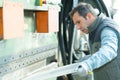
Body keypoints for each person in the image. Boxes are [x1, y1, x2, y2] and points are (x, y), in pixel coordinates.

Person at [69, 2, 120, 80]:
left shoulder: (106, 29)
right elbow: (99, 53)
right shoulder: (93, 30)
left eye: (79, 22)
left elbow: (109, 51)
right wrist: (83, 60)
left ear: (89, 16)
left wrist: (88, 64)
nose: (78, 27)